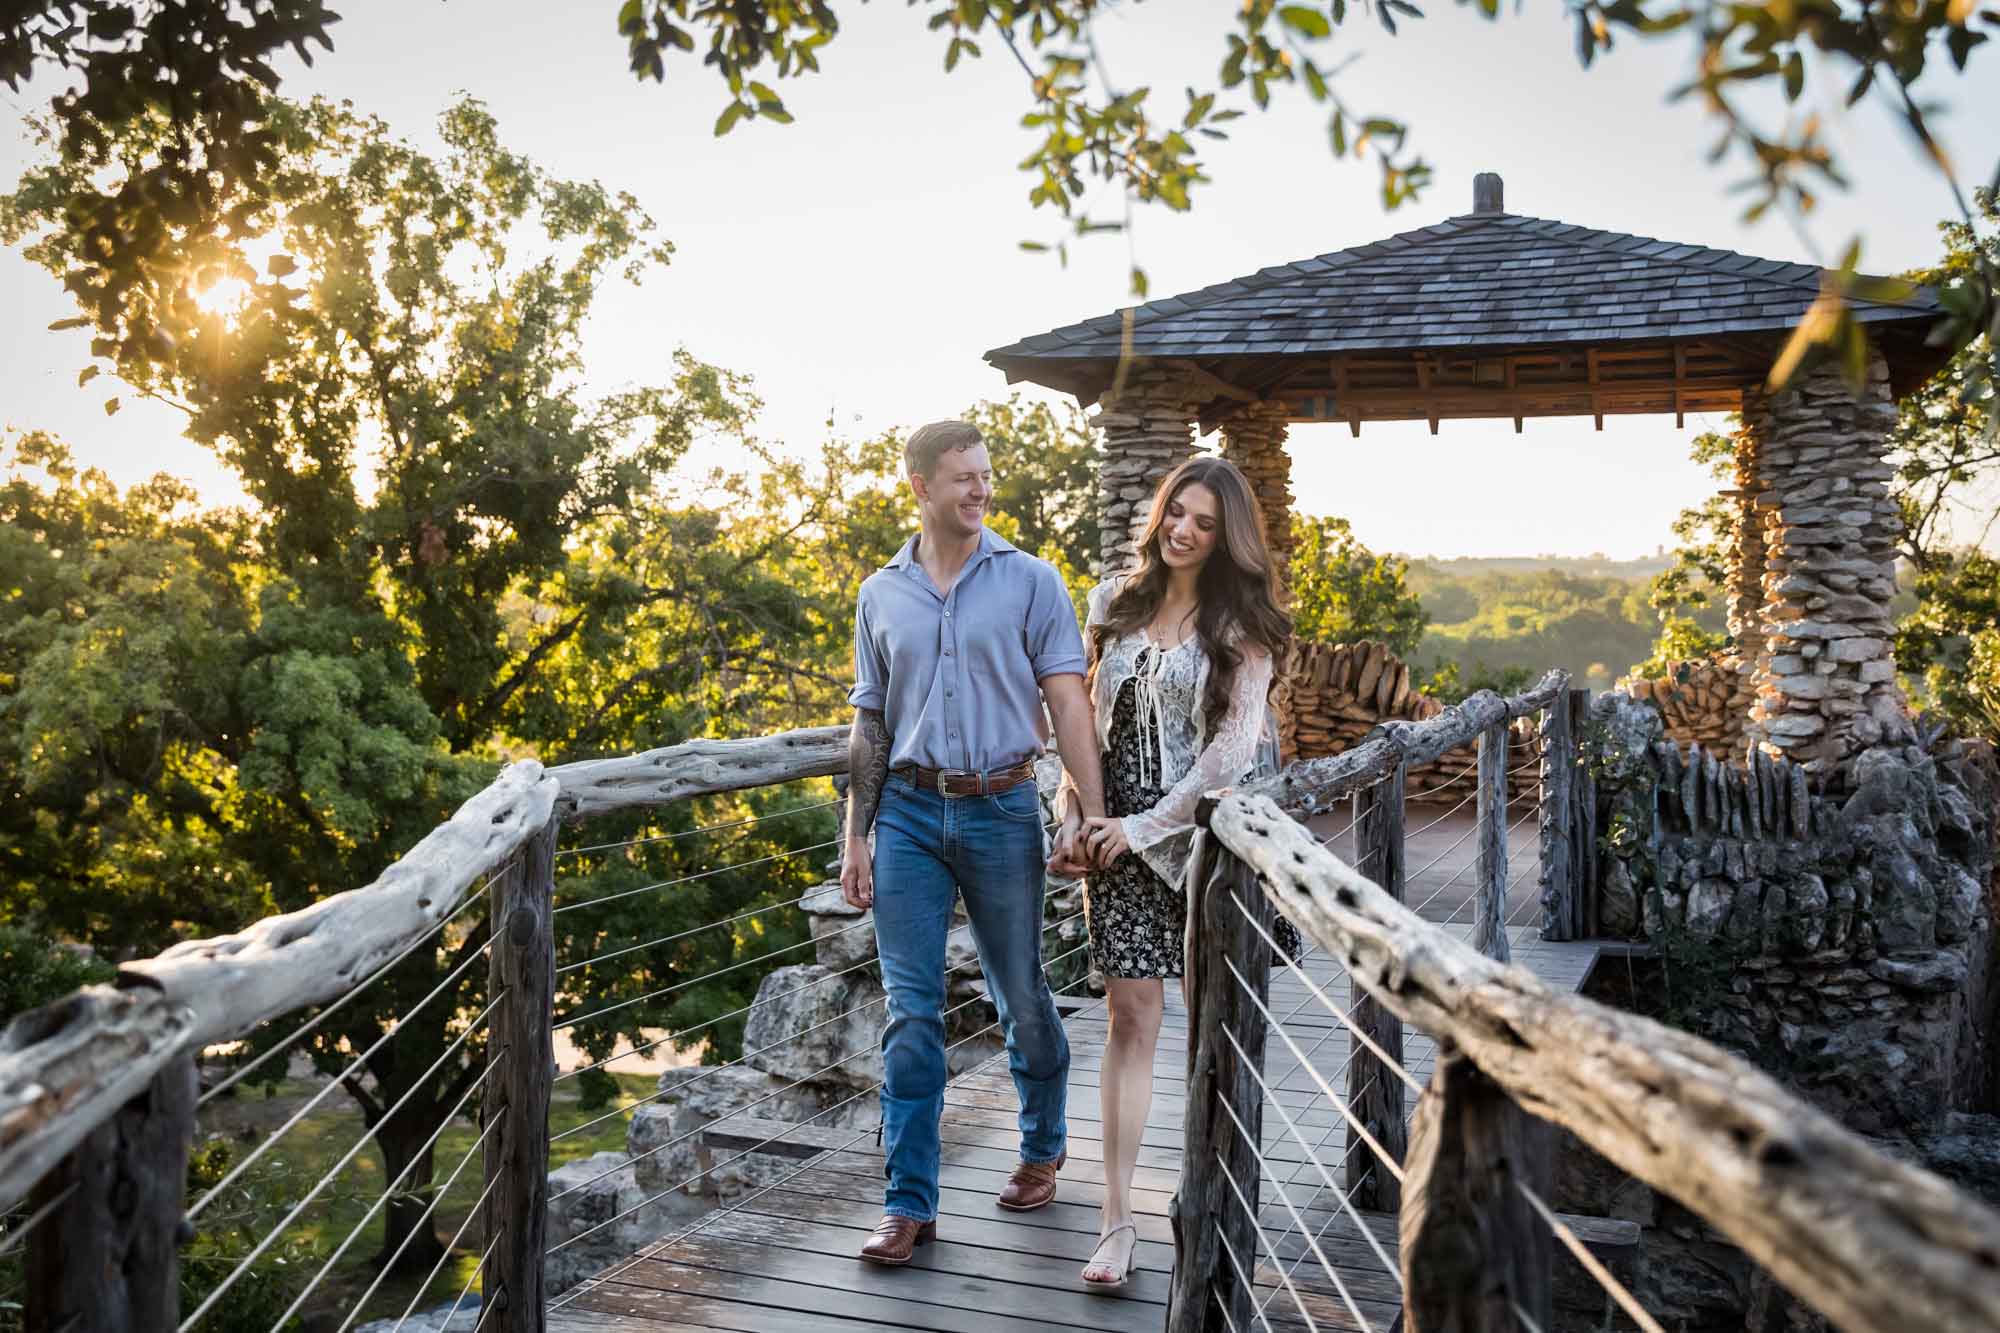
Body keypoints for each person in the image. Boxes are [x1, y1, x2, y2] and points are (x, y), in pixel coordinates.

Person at [842, 419, 1108, 1266]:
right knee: (911, 1013)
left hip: (1001, 809)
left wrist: (1089, 815)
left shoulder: (1031, 581)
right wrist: (858, 832)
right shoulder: (880, 592)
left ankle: (1042, 1141)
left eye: (985, 475)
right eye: (962, 477)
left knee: (1020, 994)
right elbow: (870, 721)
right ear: (920, 485)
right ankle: (909, 1203)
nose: (980, 489)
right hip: (910, 818)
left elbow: (1069, 705)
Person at [1049, 456, 1293, 1290]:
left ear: (1229, 538)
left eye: (1204, 522)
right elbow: (1073, 719)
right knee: (1129, 1023)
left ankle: (1216, 1198)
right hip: (1111, 833)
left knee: (1213, 1027)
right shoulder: (1112, 604)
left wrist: (1144, 824)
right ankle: (1116, 1219)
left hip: (1201, 836)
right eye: (1176, 513)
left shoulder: (1244, 626)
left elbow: (1230, 753)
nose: (1183, 531)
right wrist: (1074, 816)